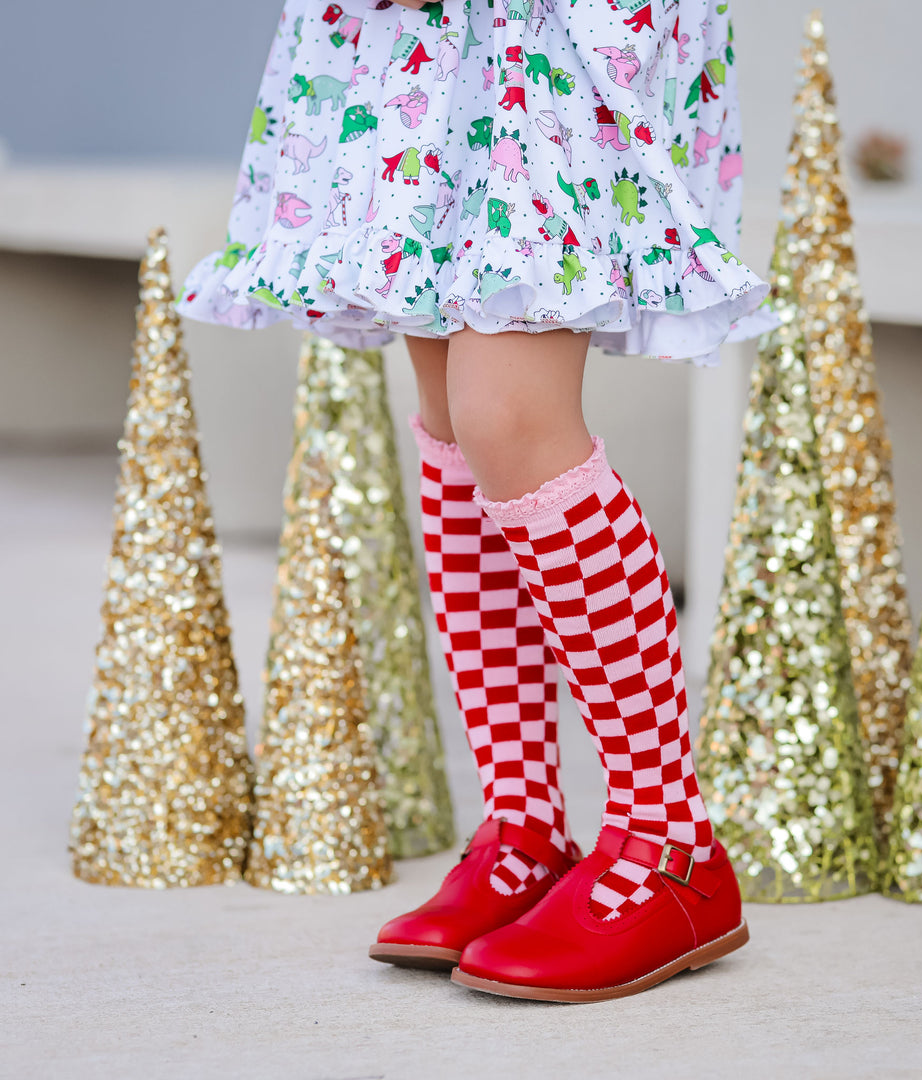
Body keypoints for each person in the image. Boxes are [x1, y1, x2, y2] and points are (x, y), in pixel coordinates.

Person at [180, 0, 772, 1002]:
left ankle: (671, 849)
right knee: (456, 420)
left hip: (534, 33)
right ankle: (525, 831)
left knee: (509, 419)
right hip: (429, 51)